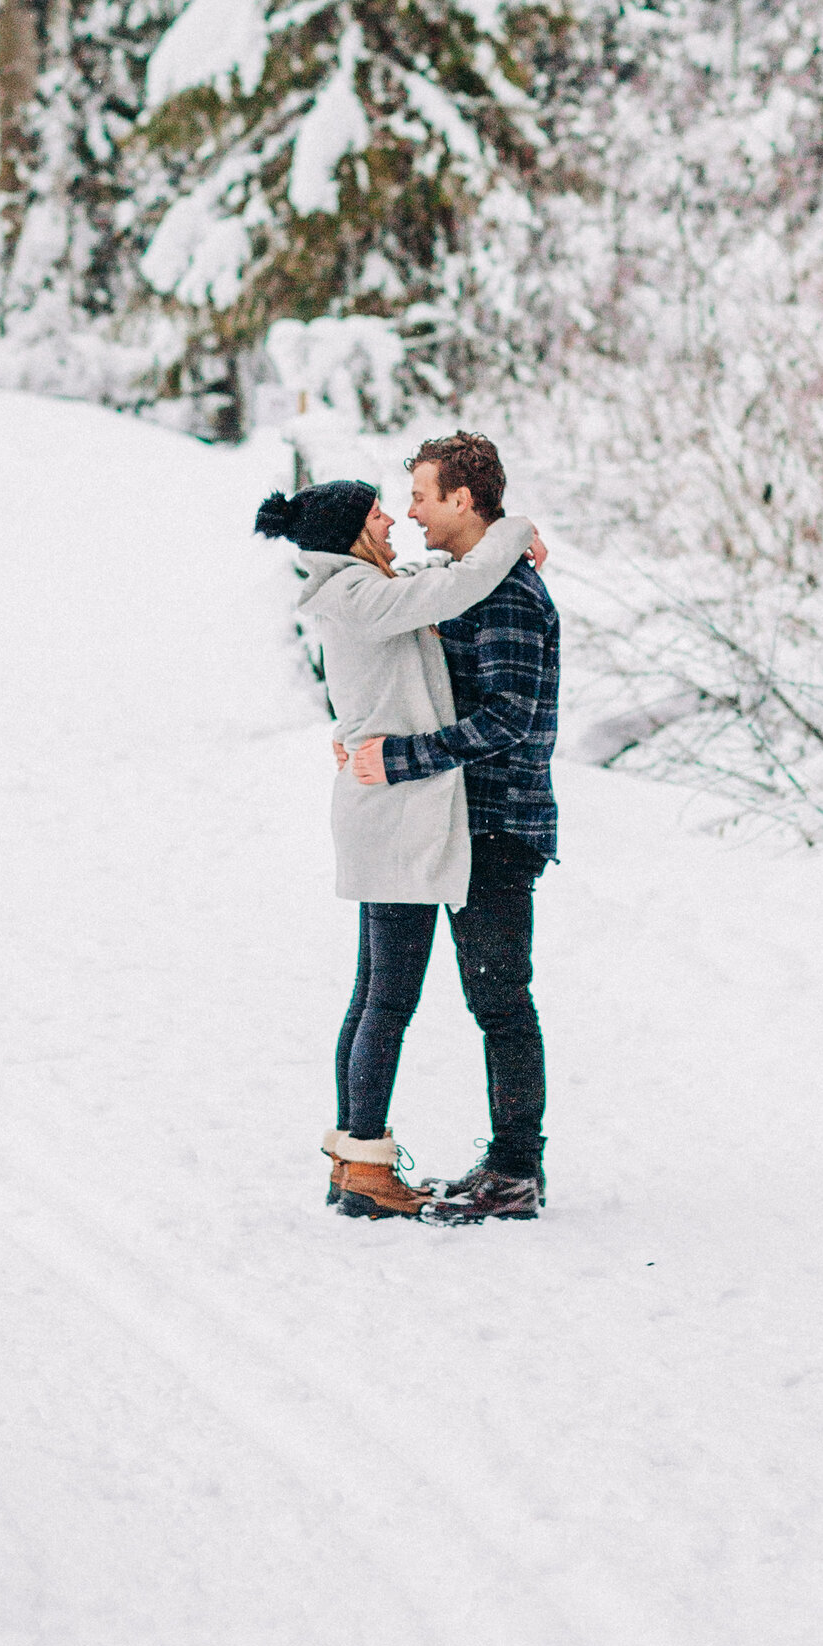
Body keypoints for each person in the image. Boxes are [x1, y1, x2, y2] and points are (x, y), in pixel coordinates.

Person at [253, 471, 543, 1222]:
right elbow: (449, 588)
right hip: (392, 814)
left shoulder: (359, 587)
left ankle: (359, 1163)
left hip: (393, 809)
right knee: (386, 998)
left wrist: (504, 547)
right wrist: (514, 534)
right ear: (351, 534)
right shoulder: (357, 595)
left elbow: (432, 578)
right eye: (380, 514)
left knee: (377, 994)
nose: (394, 522)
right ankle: (364, 1168)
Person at [335, 430, 558, 1223]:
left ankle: (516, 1171)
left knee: (500, 1003)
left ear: (464, 500)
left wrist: (398, 758)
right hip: (452, 819)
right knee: (404, 993)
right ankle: (369, 1165)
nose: (411, 512)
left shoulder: (506, 596)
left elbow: (508, 718)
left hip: (498, 827)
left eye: (423, 496)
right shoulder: (471, 579)